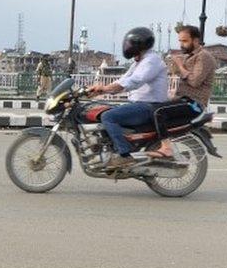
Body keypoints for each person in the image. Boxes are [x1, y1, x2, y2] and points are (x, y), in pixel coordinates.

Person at [88, 27, 170, 170]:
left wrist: (105, 89)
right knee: (103, 110)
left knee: (108, 117)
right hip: (140, 104)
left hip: (148, 106)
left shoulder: (151, 61)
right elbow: (124, 80)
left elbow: (135, 81)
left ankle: (125, 155)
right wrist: (98, 90)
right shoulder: (139, 62)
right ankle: (111, 149)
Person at [155, 25, 217, 158]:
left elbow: (194, 81)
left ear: (195, 40)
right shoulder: (188, 56)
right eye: (180, 41)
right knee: (150, 107)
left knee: (157, 112)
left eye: (185, 41)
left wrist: (180, 66)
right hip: (182, 99)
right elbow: (172, 73)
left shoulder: (203, 57)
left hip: (193, 104)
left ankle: (166, 148)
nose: (181, 44)